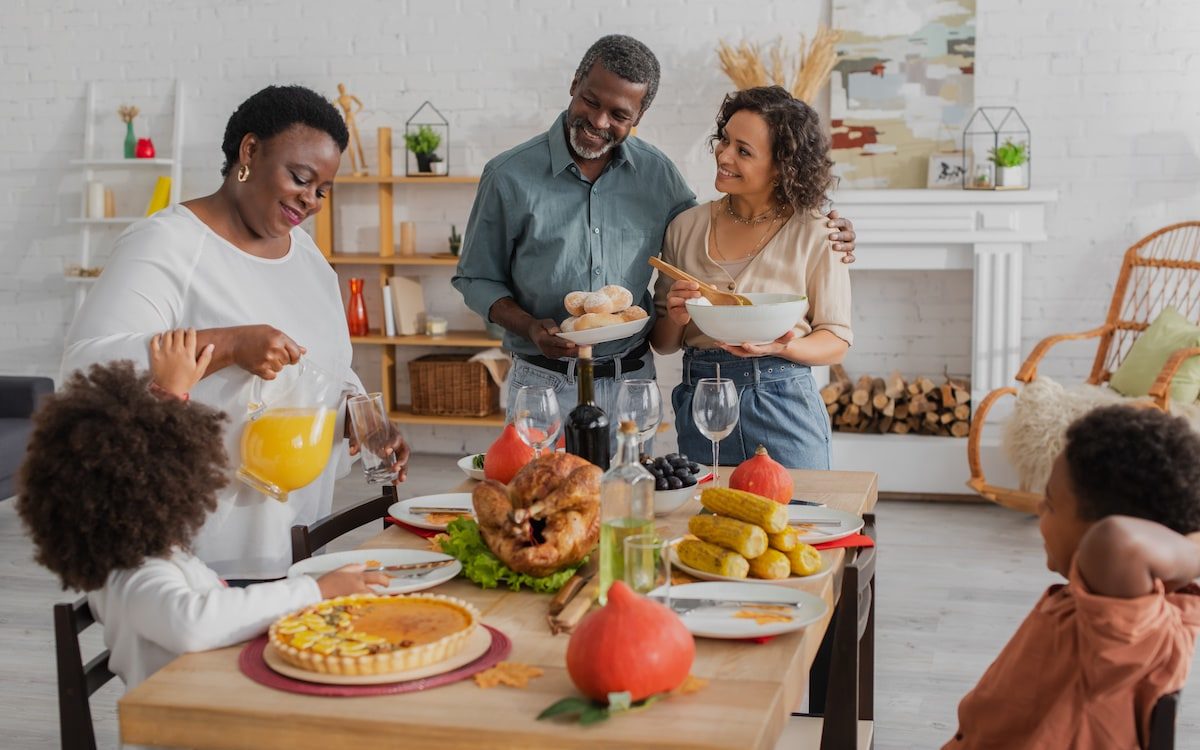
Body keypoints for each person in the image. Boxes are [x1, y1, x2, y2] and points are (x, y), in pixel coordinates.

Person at [61, 85, 410, 581]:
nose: (310, 200)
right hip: (192, 547)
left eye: (322, 190)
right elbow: (82, 368)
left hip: (293, 537)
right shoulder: (168, 243)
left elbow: (328, 368)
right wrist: (227, 345)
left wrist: (362, 419)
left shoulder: (307, 259)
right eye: (300, 178)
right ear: (249, 152)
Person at [452, 35, 858, 425]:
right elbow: (475, 277)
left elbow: (711, 227)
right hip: (542, 383)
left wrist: (820, 224)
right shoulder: (508, 176)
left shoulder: (657, 174)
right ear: (575, 85)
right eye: (590, 101)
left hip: (631, 383)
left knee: (630, 496)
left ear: (639, 117)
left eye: (619, 115)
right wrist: (528, 326)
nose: (598, 121)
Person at [16, 332, 388, 692]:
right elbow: (191, 622)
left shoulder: (156, 554)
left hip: (222, 697)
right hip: (193, 727)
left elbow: (145, 447)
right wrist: (313, 590)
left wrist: (172, 394)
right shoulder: (135, 576)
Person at [945, 405, 1200, 749]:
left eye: (1050, 503)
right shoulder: (1106, 612)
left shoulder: (1128, 636)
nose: (1039, 508)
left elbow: (1118, 541)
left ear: (1093, 538)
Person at [651, 86, 851, 469]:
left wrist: (781, 347)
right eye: (724, 140)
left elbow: (836, 339)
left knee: (797, 523)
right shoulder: (684, 227)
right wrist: (675, 318)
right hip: (702, 402)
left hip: (784, 403)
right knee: (709, 526)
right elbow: (664, 344)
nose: (723, 155)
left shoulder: (818, 232)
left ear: (781, 166)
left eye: (743, 151)